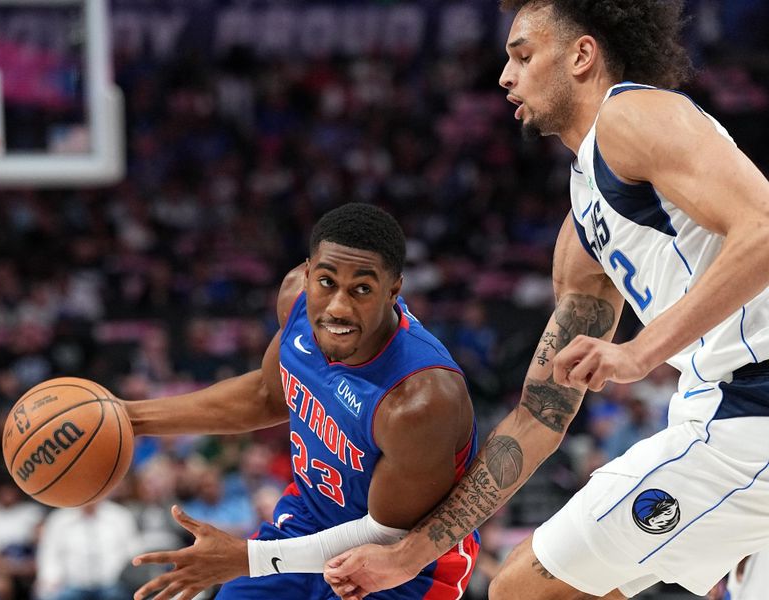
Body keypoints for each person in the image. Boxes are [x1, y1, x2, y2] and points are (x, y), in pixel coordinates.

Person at [324, 1, 769, 599]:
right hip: (717, 408)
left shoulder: (632, 114)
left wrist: (639, 353)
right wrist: (411, 555)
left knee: (526, 589)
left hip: (751, 406)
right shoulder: (583, 226)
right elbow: (540, 415)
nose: (506, 77)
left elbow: (764, 228)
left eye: (522, 55)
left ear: (582, 55)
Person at [123, 202, 480, 599]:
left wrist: (248, 558)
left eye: (362, 289)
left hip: (400, 567)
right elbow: (265, 395)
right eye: (326, 282)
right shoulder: (296, 300)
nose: (338, 307)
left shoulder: (419, 398)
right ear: (307, 274)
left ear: (393, 289)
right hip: (310, 518)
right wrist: (129, 418)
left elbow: (384, 533)